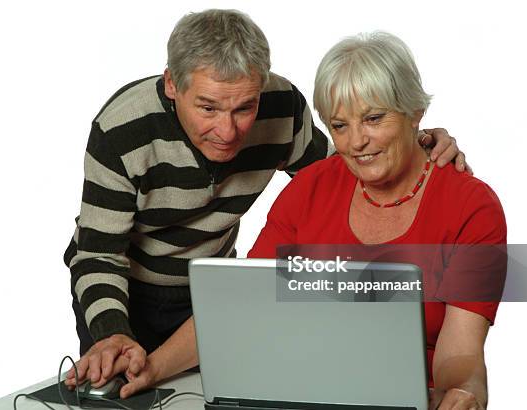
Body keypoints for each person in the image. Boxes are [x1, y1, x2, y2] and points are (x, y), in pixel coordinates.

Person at [63, 10, 464, 398]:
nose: (227, 130)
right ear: (172, 84)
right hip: (122, 288)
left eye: (245, 108)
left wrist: (414, 141)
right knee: (121, 394)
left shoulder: (281, 107)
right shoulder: (120, 129)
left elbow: (348, 172)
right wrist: (112, 331)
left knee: (218, 395)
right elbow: (98, 255)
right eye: (208, 107)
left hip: (215, 286)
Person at [248, 32, 505, 409]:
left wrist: (463, 393)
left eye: (373, 118)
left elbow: (460, 356)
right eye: (339, 126)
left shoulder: (473, 207)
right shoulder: (308, 188)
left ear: (414, 112)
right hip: (304, 387)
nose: (356, 142)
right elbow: (250, 304)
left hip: (411, 397)